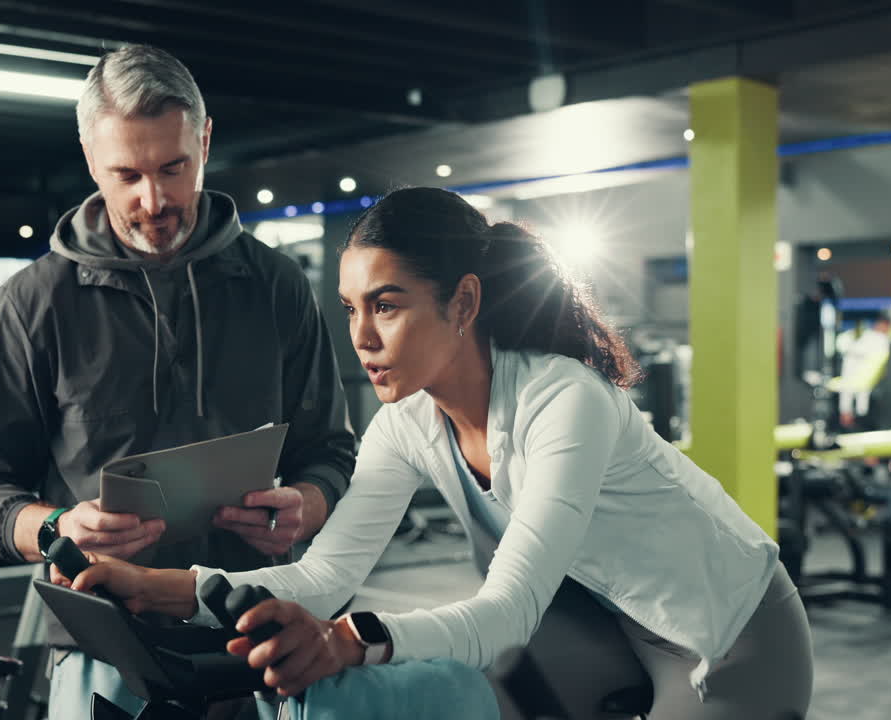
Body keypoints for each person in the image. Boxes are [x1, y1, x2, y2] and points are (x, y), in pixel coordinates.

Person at [62, 188, 815, 719]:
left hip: (728, 632)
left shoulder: (567, 401)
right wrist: (159, 586)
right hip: (599, 620)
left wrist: (350, 641)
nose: (361, 339)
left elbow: (510, 609)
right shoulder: (408, 425)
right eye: (352, 310)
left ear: (463, 303)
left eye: (387, 306)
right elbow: (326, 575)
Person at [0, 45, 356, 720]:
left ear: (205, 139)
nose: (153, 200)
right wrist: (55, 527)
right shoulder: (34, 301)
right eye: (126, 174)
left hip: (259, 625)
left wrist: (308, 503)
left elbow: (332, 452)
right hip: (105, 638)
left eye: (173, 168)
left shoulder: (277, 286)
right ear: (88, 157)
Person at [838, 314, 891, 430]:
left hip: (868, 379)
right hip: (858, 374)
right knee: (851, 395)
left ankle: (856, 418)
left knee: (861, 400)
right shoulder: (869, 337)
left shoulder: (880, 338)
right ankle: (851, 418)